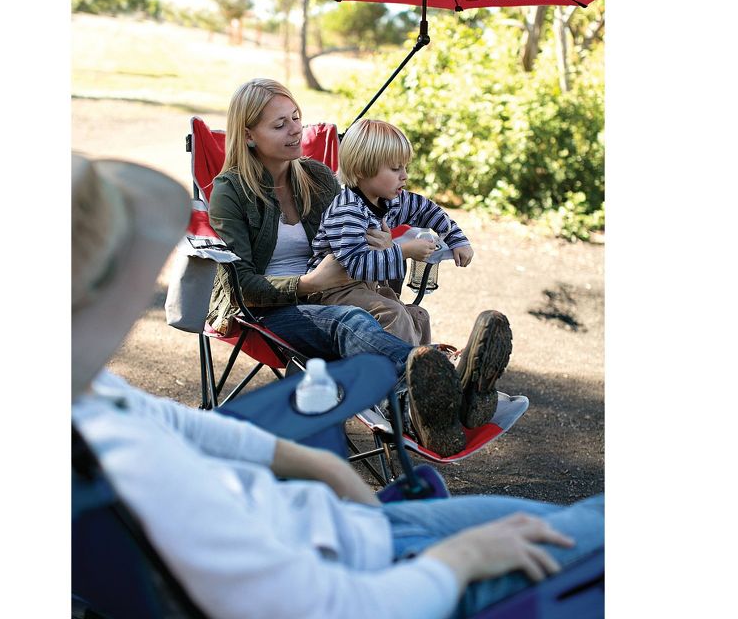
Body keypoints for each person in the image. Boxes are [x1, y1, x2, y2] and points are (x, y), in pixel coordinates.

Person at [71, 151, 605, 619]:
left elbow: (173, 420)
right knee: (601, 534)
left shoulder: (89, 397)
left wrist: (319, 464)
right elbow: (338, 608)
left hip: (349, 530)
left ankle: (442, 400)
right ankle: (432, 401)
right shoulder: (121, 468)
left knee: (595, 518)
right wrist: (461, 560)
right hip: (394, 579)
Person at [207, 78, 510, 456]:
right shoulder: (230, 191)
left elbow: (357, 233)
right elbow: (242, 286)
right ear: (249, 135)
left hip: (334, 290)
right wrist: (309, 283)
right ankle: (448, 381)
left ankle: (434, 407)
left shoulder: (316, 177)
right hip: (270, 309)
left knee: (410, 313)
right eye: (279, 124)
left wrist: (385, 242)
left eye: (296, 117)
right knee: (350, 320)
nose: (295, 129)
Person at [308, 117, 474, 349]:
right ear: (361, 170)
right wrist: (405, 251)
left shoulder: (389, 200)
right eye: (395, 168)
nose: (404, 175)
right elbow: (356, 264)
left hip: (362, 289)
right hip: (330, 293)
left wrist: (457, 240)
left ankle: (428, 371)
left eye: (405, 167)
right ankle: (407, 375)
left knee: (418, 316)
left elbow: (428, 210)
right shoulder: (348, 210)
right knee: (392, 313)